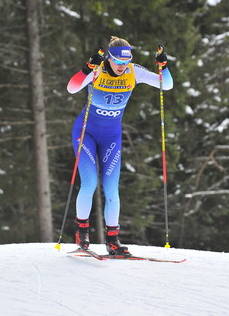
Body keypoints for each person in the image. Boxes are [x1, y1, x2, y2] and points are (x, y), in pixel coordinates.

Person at [67, 36, 173, 255]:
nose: (122, 67)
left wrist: (164, 67)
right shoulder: (97, 70)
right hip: (85, 132)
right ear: (109, 57)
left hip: (111, 136)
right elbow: (72, 88)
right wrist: (87, 68)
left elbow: (167, 85)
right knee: (89, 184)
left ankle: (113, 240)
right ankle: (82, 234)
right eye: (118, 62)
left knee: (112, 189)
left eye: (126, 62)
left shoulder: (134, 71)